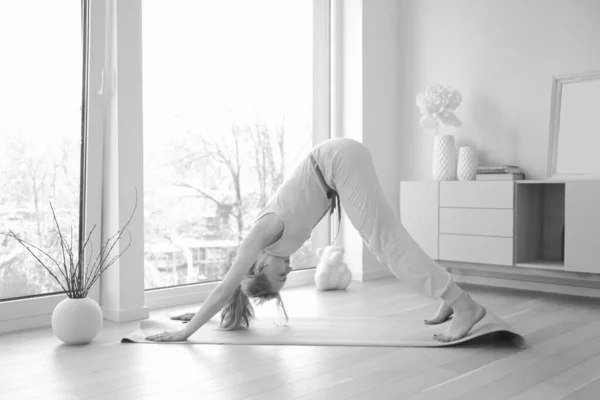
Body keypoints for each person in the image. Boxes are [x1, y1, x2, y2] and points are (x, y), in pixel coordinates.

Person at [146, 138, 486, 343]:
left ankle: (462, 304)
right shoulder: (271, 250)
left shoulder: (261, 235)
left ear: (260, 264)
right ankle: (448, 293)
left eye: (280, 275)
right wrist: (194, 314)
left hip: (336, 161)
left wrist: (186, 331)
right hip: (337, 164)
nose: (289, 269)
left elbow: (224, 287)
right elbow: (230, 293)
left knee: (385, 240)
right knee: (382, 241)